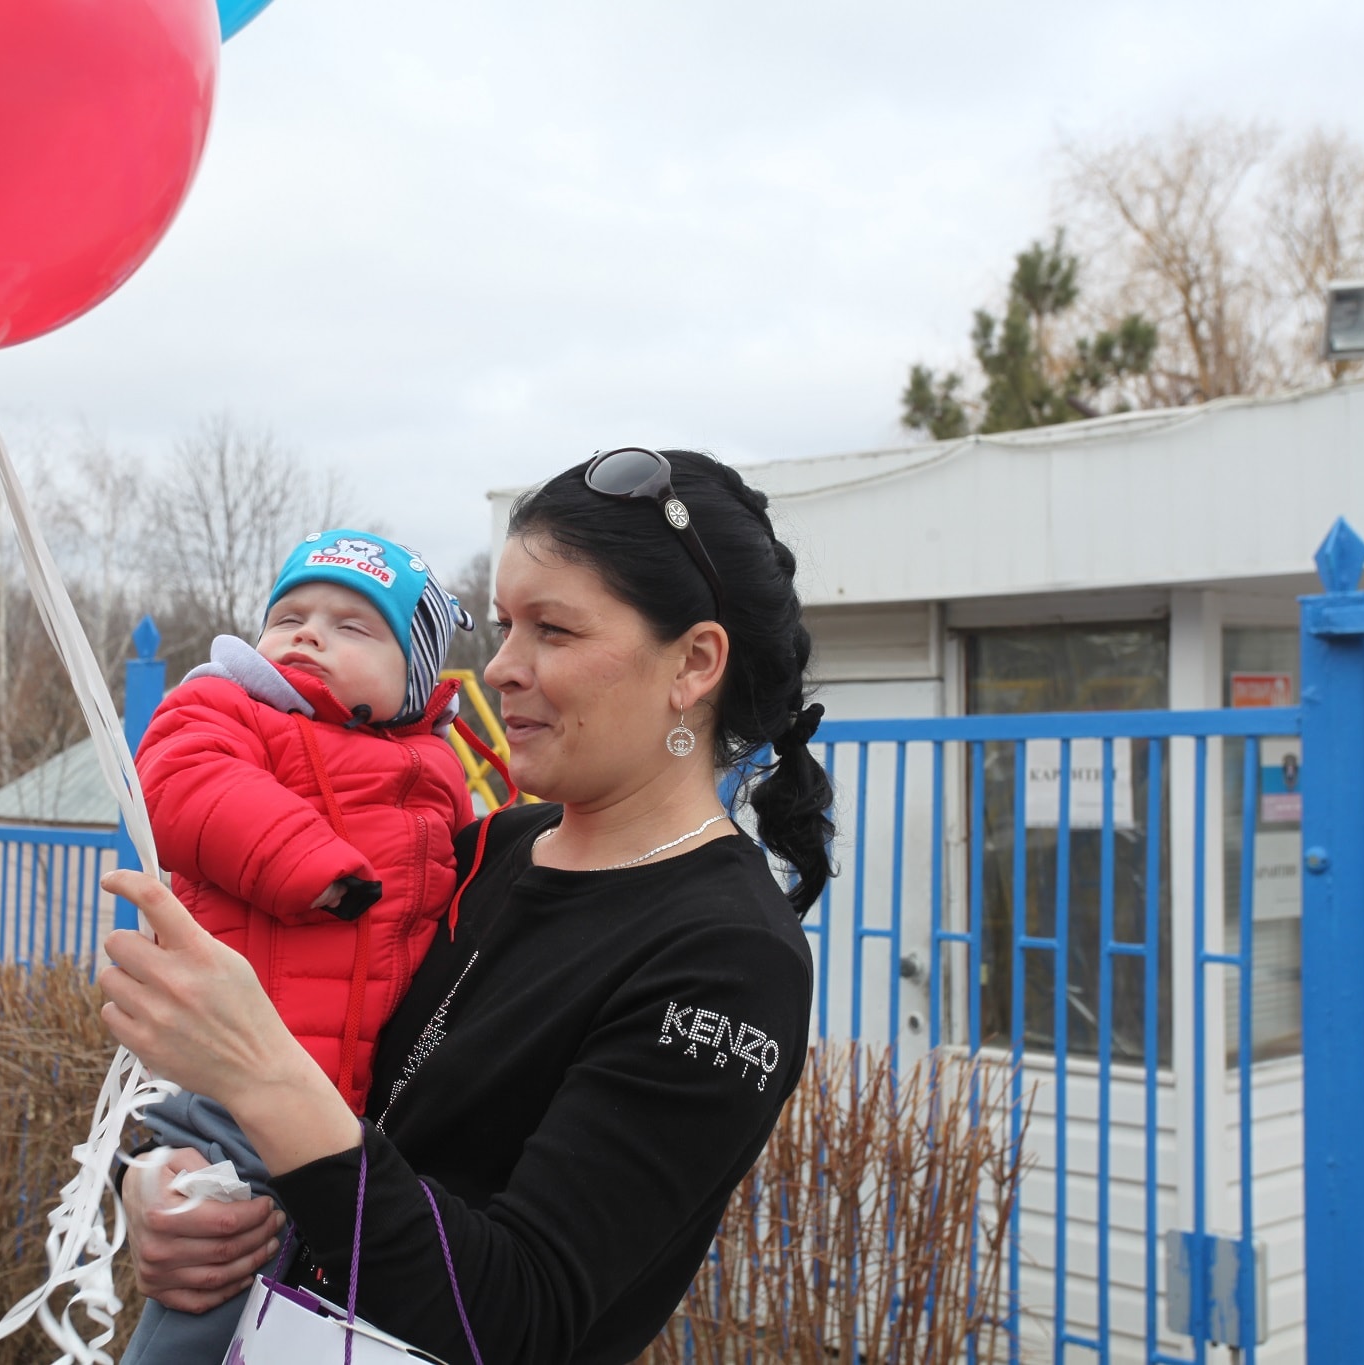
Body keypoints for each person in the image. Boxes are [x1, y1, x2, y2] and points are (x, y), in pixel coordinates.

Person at [100, 449, 827, 1365]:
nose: (503, 668)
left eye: (553, 632)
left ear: (694, 662)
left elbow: (516, 1318)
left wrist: (263, 1076)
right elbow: (319, 1040)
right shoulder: (482, 848)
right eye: (503, 626)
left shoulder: (728, 959)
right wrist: (164, 1186)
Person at [121, 528, 476, 1363]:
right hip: (236, 1098)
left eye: (354, 626)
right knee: (213, 1279)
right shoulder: (231, 708)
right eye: (291, 615)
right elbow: (181, 782)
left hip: (359, 1121)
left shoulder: (438, 770)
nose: (310, 633)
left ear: (412, 675)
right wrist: (310, 865)